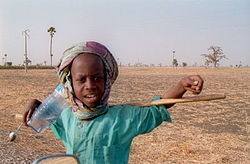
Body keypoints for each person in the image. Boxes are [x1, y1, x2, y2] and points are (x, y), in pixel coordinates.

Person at [23, 41, 203, 164]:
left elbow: (159, 106)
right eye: (81, 80)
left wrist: (181, 86)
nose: (90, 85)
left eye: (97, 78)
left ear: (107, 80)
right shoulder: (66, 115)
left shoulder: (124, 118)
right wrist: (35, 103)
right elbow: (41, 115)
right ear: (70, 83)